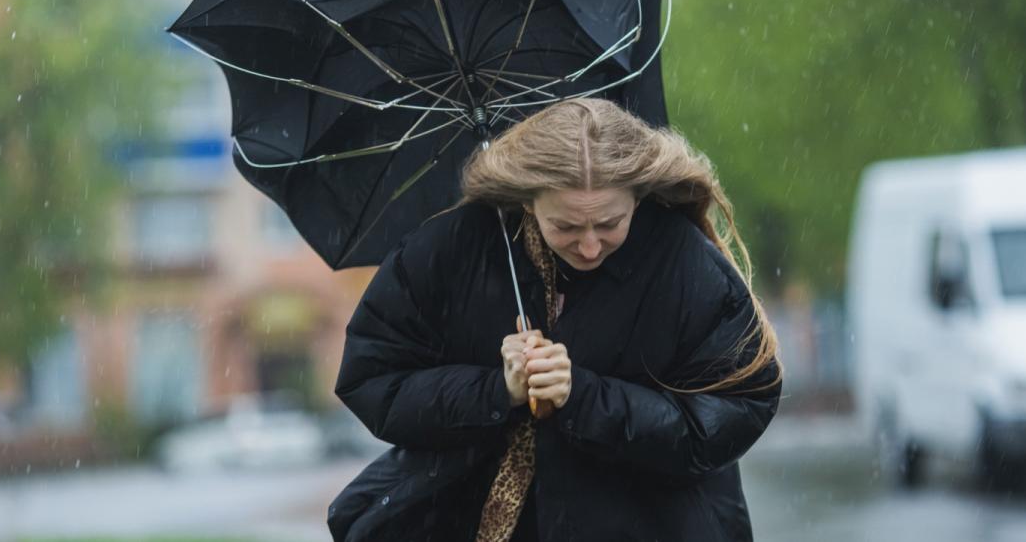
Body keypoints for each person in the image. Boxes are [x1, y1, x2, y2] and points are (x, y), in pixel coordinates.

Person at [329, 99, 782, 542]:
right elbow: (373, 381)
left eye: (609, 224)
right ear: (528, 200)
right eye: (566, 226)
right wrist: (496, 390)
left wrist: (584, 396)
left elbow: (733, 412)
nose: (589, 246)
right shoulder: (450, 250)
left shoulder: (684, 265)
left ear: (638, 198)